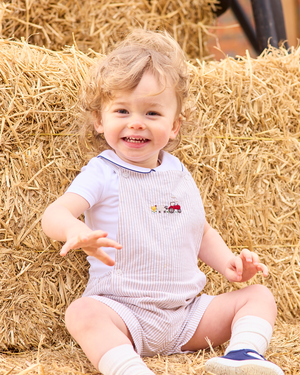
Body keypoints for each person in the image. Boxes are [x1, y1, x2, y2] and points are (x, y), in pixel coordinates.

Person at [41, 29, 284, 375]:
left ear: (174, 126)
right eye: (122, 111)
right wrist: (74, 230)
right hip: (125, 312)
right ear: (99, 120)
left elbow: (197, 230)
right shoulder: (102, 172)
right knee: (82, 313)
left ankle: (243, 356)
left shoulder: (178, 172)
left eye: (152, 114)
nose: (136, 123)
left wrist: (228, 263)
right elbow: (56, 212)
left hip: (188, 315)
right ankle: (129, 369)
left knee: (258, 296)